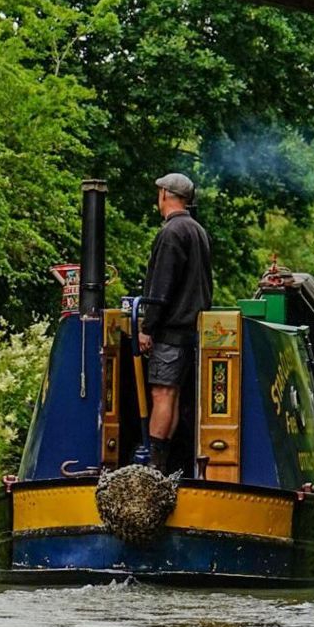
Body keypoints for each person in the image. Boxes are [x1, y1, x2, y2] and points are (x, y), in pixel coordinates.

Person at [137, 172, 213, 474]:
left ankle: (153, 468)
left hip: (170, 331)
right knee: (174, 393)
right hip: (191, 329)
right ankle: (164, 463)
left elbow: (160, 287)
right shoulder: (197, 231)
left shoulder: (171, 233)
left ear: (165, 195)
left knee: (162, 394)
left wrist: (147, 328)